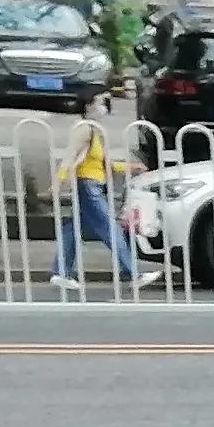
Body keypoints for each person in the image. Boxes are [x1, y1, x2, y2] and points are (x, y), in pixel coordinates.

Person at [49, 103, 158, 291]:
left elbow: (105, 165)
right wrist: (57, 183)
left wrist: (132, 167)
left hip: (91, 186)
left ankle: (60, 272)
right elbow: (69, 157)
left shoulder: (95, 131)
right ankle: (133, 273)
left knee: (72, 230)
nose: (103, 106)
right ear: (88, 105)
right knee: (110, 229)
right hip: (88, 187)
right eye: (99, 101)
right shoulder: (83, 129)